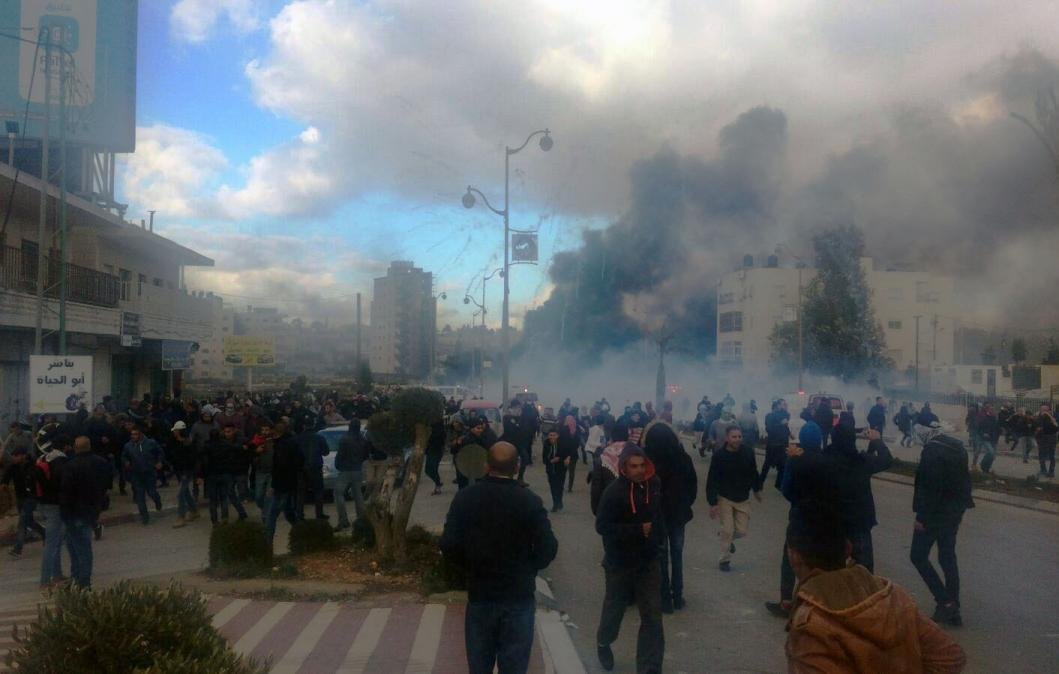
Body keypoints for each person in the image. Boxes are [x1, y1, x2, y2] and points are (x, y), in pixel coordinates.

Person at [785, 504, 967, 674]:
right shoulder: (892, 595)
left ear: (794, 556)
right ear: (848, 548)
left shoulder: (810, 627)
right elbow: (951, 656)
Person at [440, 441, 558, 674]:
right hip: (518, 595)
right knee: (514, 666)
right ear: (516, 467)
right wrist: (529, 568)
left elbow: (449, 544)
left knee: (479, 665)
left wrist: (469, 568)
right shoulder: (529, 501)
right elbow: (549, 547)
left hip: (481, 594)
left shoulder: (466, 498)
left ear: (486, 466)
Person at [594, 444, 665, 673]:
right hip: (619, 562)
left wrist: (658, 540)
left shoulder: (654, 485)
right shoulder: (614, 491)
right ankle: (603, 642)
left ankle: (649, 667)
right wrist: (636, 530)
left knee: (653, 616)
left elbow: (658, 516)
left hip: (648, 561)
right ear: (624, 467)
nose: (639, 470)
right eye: (633, 466)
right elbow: (602, 526)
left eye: (642, 465)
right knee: (614, 612)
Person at [911, 423, 974, 627]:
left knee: (918, 556)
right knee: (947, 557)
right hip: (954, 511)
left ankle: (945, 601)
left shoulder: (931, 452)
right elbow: (964, 480)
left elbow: (930, 488)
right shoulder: (956, 446)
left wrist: (922, 517)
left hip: (934, 515)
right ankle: (954, 608)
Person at [643, 423, 697, 613]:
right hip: (678, 515)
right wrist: (684, 505)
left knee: (661, 557)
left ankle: (664, 598)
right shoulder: (683, 459)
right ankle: (678, 595)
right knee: (677, 554)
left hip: (657, 516)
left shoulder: (647, 463)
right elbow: (692, 487)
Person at [825, 425, 893, 572]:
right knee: (864, 574)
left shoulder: (825, 459)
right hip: (859, 523)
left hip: (832, 523)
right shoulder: (861, 461)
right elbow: (886, 460)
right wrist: (876, 441)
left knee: (832, 573)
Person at [706, 425, 762, 572]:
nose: (737, 439)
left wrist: (757, 490)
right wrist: (713, 502)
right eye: (734, 437)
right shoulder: (719, 456)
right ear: (727, 438)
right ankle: (724, 561)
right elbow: (712, 479)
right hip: (725, 497)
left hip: (743, 498)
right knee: (728, 529)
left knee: (742, 531)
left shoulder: (748, 452)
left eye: (739, 436)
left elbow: (753, 472)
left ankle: (727, 537)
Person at [58, 437, 111, 589]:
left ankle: (82, 581)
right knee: (81, 547)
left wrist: (64, 512)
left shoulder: (71, 466)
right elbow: (106, 483)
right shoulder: (100, 462)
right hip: (90, 510)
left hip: (73, 511)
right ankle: (79, 579)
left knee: (77, 549)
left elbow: (66, 491)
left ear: (75, 447)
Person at [33, 436, 69, 588]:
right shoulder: (59, 460)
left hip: (45, 503)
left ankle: (56, 575)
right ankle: (46, 580)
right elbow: (64, 483)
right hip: (56, 504)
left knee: (55, 541)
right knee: (52, 542)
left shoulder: (42, 459)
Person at [266, 421, 304, 543]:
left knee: (272, 514)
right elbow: (301, 460)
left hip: (281, 484)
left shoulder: (280, 446)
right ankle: (302, 532)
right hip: (292, 481)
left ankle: (267, 541)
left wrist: (273, 485)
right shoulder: (294, 442)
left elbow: (278, 467)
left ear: (277, 433)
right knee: (289, 512)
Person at [4, 447, 45, 558]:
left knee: (22, 522)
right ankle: (44, 533)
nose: (14, 458)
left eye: (16, 456)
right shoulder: (13, 467)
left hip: (31, 497)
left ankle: (17, 549)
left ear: (23, 455)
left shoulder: (33, 466)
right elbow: (5, 481)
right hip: (20, 497)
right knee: (29, 521)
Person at [203, 425, 249, 524]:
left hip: (234, 471)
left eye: (229, 431)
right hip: (228, 472)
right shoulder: (225, 443)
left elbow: (203, 461)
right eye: (225, 432)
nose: (227, 434)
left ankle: (216, 521)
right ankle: (229, 517)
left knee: (218, 498)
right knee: (228, 495)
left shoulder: (208, 445)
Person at [122, 426, 164, 525]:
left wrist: (159, 462)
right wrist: (126, 462)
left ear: (140, 434)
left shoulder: (150, 443)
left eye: (135, 434)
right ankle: (144, 517)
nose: (133, 436)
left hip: (149, 472)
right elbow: (124, 456)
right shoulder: (128, 446)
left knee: (152, 492)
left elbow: (160, 452)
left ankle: (157, 501)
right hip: (136, 473)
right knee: (140, 496)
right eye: (132, 434)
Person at [334, 419, 368, 529]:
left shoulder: (345, 439)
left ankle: (343, 520)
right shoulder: (362, 439)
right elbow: (365, 455)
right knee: (358, 495)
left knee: (338, 493)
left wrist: (339, 466)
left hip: (345, 470)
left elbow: (340, 456)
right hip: (358, 469)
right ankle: (361, 519)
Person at [167, 421, 200, 528]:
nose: (174, 432)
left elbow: (192, 458)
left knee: (181, 494)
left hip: (187, 471)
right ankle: (194, 510)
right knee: (185, 492)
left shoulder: (188, 443)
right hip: (180, 470)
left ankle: (181, 516)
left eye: (176, 430)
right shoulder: (174, 441)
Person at [296, 421, 330, 520]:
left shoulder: (298, 438)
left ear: (304, 426)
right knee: (318, 491)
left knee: (301, 493)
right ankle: (319, 514)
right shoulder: (319, 438)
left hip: (301, 468)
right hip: (316, 467)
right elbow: (326, 452)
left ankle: (299, 514)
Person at [760, 399, 791, 491]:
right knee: (767, 464)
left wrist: (789, 433)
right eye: (782, 404)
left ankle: (779, 484)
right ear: (776, 406)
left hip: (782, 444)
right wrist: (780, 424)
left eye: (785, 405)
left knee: (783, 465)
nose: (785, 406)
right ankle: (760, 483)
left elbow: (785, 426)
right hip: (773, 444)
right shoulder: (770, 416)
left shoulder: (784, 415)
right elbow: (770, 429)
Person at [541, 428, 572, 512]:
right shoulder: (546, 443)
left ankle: (559, 501)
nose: (552, 437)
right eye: (550, 435)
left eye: (554, 435)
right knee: (553, 487)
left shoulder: (563, 443)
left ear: (557, 435)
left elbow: (568, 453)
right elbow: (544, 458)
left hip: (561, 468)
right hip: (550, 469)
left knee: (560, 486)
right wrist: (550, 461)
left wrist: (562, 459)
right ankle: (555, 503)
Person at [975, 402, 999, 474]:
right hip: (986, 438)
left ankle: (986, 469)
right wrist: (983, 433)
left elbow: (997, 428)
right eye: (988, 408)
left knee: (993, 456)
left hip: (994, 438)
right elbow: (979, 427)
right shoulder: (984, 417)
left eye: (992, 408)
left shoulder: (995, 418)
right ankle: (982, 465)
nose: (991, 410)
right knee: (991, 453)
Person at [424, 418, 446, 495]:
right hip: (433, 451)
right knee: (430, 470)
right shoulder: (436, 429)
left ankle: (438, 485)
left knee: (431, 469)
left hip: (436, 451)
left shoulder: (439, 431)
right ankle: (438, 483)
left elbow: (438, 440)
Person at [1035, 403, 1056, 478]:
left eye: (1046, 410)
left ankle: (1051, 472)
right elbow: (1034, 427)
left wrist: (1049, 415)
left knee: (1051, 456)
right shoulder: (1038, 418)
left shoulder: (1053, 417)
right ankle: (1043, 470)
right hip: (1041, 439)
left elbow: (1056, 426)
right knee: (1041, 455)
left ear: (1049, 411)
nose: (1043, 411)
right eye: (1042, 410)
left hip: (1051, 439)